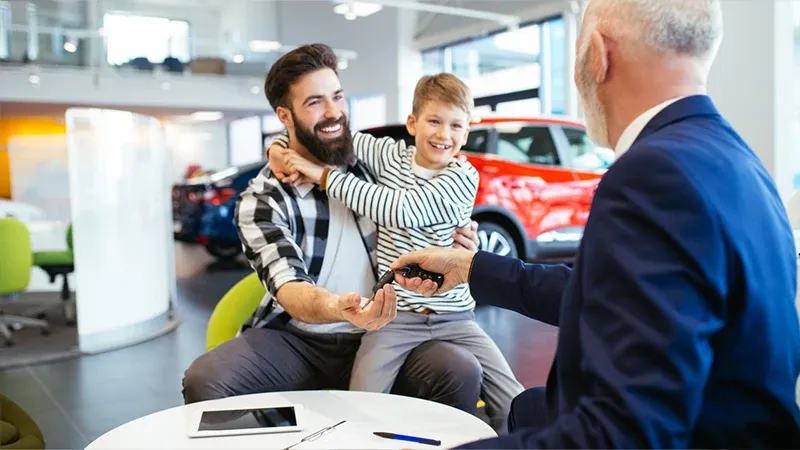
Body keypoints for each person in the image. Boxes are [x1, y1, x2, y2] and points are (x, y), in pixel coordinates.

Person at [390, 0, 800, 447]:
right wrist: (471, 266)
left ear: (598, 55)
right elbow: (614, 294)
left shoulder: (652, 174)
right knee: (528, 406)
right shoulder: (740, 162)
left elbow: (622, 434)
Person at [181, 44, 485, 414]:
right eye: (314, 103)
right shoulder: (264, 198)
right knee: (207, 379)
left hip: (390, 329)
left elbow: (432, 200)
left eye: (337, 97)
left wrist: (465, 237)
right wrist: (337, 308)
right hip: (299, 340)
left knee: (459, 370)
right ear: (285, 115)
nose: (333, 112)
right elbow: (289, 288)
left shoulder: (374, 166)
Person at [267, 72, 524, 432]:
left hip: (456, 316)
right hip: (395, 316)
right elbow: (327, 138)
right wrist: (278, 148)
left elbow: (400, 209)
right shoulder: (388, 156)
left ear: (466, 134)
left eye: (455, 126)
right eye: (434, 121)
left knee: (511, 398)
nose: (443, 135)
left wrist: (322, 176)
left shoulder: (464, 176)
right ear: (412, 123)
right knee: (361, 402)